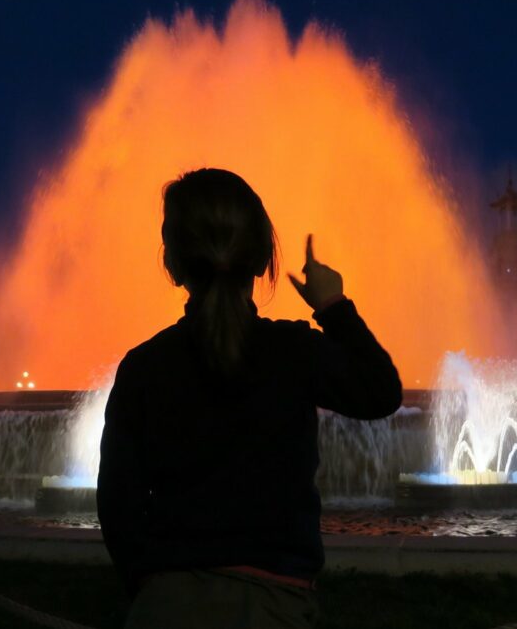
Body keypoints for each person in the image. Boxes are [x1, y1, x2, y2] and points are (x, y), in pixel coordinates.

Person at [97, 167, 402, 629]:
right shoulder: (294, 353)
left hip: (164, 606)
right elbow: (380, 392)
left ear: (173, 264)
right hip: (274, 605)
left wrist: (149, 584)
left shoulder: (144, 367)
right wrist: (334, 308)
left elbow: (117, 504)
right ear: (262, 261)